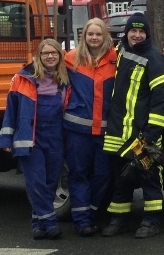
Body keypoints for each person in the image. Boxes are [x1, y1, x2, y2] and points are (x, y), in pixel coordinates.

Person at [102, 14, 164, 239]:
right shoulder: (120, 52)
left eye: (142, 32)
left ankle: (152, 221)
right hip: (118, 132)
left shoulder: (155, 58)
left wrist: (151, 135)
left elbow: (162, 100)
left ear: (147, 34)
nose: (137, 35)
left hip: (142, 134)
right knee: (121, 179)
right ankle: (119, 219)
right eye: (134, 31)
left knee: (149, 177)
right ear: (127, 32)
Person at [0, 39, 72, 240]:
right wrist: (6, 139)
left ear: (60, 56)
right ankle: (50, 222)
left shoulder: (65, 80)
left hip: (55, 137)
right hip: (30, 138)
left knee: (50, 182)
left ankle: (37, 224)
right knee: (36, 182)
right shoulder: (23, 79)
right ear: (38, 56)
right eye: (45, 53)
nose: (50, 57)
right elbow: (11, 110)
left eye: (54, 53)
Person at [63, 18, 117, 237]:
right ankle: (82, 221)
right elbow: (44, 68)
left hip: (104, 131)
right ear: (83, 36)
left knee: (103, 175)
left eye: (98, 34)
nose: (94, 38)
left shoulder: (116, 60)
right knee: (78, 174)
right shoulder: (70, 59)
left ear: (105, 37)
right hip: (78, 131)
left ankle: (90, 212)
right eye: (90, 34)